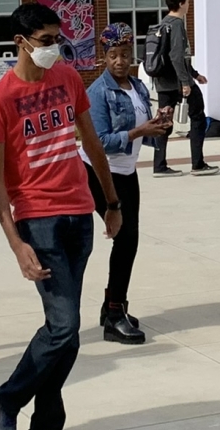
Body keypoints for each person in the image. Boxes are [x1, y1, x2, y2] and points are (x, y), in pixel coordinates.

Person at [0, 3, 123, 430]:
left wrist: (111, 204)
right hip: (37, 218)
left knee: (65, 329)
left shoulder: (66, 78)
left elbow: (93, 146)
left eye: (56, 39)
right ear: (20, 43)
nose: (53, 49)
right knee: (64, 327)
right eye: (45, 41)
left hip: (79, 212)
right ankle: (7, 400)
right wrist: (15, 243)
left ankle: (48, 412)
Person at [85, 24, 171, 344]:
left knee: (128, 241)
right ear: (103, 58)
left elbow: (140, 126)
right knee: (125, 240)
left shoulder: (136, 86)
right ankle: (114, 314)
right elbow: (101, 142)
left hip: (127, 172)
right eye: (112, 56)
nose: (119, 61)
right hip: (99, 172)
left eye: (124, 55)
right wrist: (139, 131)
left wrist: (159, 124)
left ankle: (113, 308)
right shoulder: (97, 93)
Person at [150, 0, 218, 177]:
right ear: (181, 3)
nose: (189, 5)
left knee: (163, 122)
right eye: (188, 1)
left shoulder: (163, 23)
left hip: (163, 83)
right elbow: (177, 56)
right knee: (198, 118)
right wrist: (186, 82)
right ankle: (198, 163)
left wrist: (195, 74)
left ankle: (159, 166)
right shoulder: (177, 24)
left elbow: (178, 57)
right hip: (178, 83)